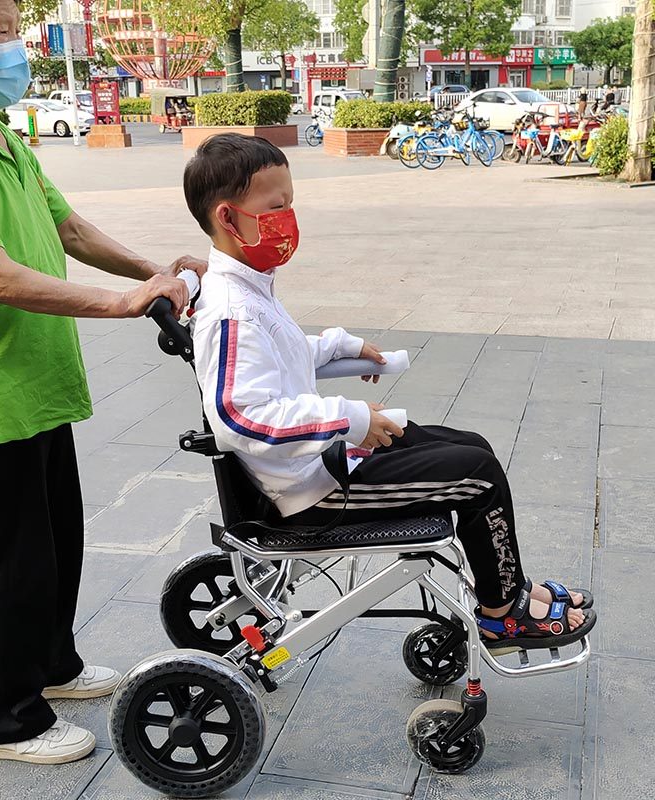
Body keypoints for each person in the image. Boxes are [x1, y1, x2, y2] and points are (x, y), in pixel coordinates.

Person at [0, 0, 204, 766]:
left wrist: (153, 272)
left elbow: (68, 229)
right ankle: (4, 721)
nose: (16, 46)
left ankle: (53, 666)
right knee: (14, 557)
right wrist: (122, 304)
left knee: (57, 537)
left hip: (36, 373)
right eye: (1, 32)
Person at [185, 133, 597, 653]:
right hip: (310, 488)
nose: (288, 218)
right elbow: (239, 416)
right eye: (276, 207)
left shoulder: (248, 286)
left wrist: (341, 346)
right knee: (478, 476)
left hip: (320, 459)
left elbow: (280, 354)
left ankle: (507, 585)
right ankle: (501, 617)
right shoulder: (231, 310)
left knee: (472, 445)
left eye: (290, 204)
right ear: (228, 218)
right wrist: (351, 418)